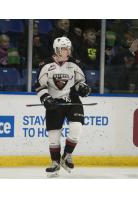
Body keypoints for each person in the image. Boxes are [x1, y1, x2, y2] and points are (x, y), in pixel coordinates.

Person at [36, 36, 90, 176]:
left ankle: (67, 155)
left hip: (72, 101)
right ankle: (55, 162)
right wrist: (46, 98)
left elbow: (80, 82)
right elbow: (40, 87)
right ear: (57, 50)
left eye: (69, 48)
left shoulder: (74, 64)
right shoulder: (46, 65)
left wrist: (82, 88)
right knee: (54, 135)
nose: (68, 51)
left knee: (76, 127)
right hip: (55, 103)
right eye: (65, 48)